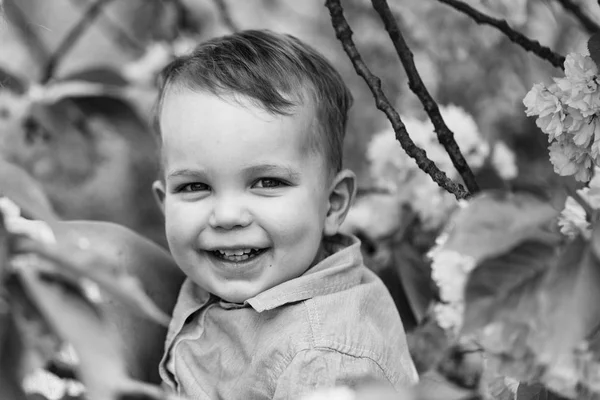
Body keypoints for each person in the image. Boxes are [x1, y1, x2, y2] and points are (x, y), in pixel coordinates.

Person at [151, 29, 418, 399]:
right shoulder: (232, 274)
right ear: (165, 204)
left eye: (266, 182)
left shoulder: (322, 362)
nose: (227, 216)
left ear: (333, 203)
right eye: (195, 187)